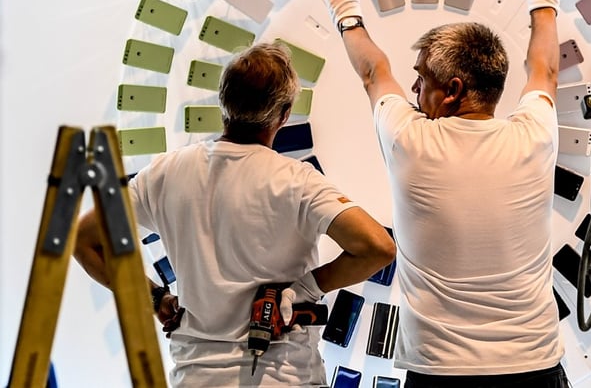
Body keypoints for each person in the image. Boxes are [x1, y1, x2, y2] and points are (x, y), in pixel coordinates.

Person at [73, 42, 396, 387]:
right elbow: (378, 246)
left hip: (195, 376)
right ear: (284, 114)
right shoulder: (297, 181)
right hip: (282, 376)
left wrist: (155, 298)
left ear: (223, 104)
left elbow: (85, 239)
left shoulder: (165, 173)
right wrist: (305, 288)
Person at [317, 0, 569, 388]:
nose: (414, 90)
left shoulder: (411, 141)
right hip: (534, 365)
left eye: (421, 79)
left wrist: (346, 10)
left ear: (452, 90)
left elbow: (373, 71)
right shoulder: (535, 136)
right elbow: (544, 69)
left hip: (440, 372)